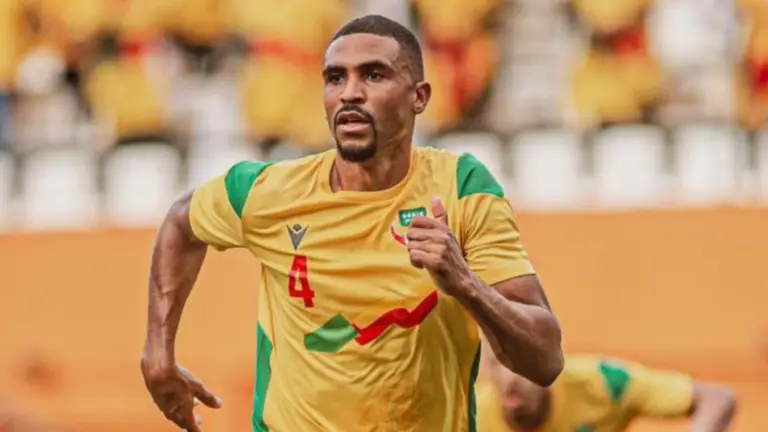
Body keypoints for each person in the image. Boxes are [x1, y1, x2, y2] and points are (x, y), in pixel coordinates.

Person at [140, 14, 564, 432]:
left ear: (419, 97)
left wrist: (465, 283)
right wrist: (158, 353)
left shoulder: (461, 188)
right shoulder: (271, 191)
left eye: (373, 75)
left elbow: (545, 360)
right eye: (335, 78)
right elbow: (181, 222)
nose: (349, 93)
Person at [478, 347, 738, 432]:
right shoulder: (468, 415)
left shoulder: (602, 383)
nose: (509, 379)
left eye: (522, 364)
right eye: (496, 364)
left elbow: (716, 398)